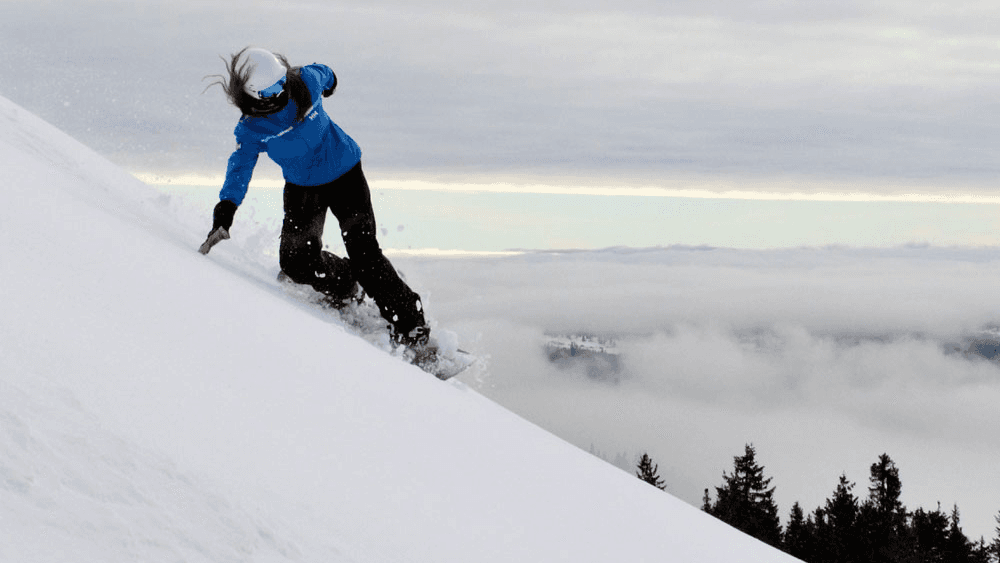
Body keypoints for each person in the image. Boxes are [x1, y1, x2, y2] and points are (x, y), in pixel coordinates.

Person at [200, 47, 429, 348]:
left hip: (346, 174)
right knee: (295, 264)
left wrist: (330, 82)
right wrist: (225, 210)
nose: (282, 91)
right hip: (303, 189)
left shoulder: (304, 81)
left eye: (282, 82)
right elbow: (240, 168)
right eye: (272, 90)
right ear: (255, 95)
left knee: (365, 255)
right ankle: (347, 284)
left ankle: (414, 333)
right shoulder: (253, 128)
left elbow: (327, 73)